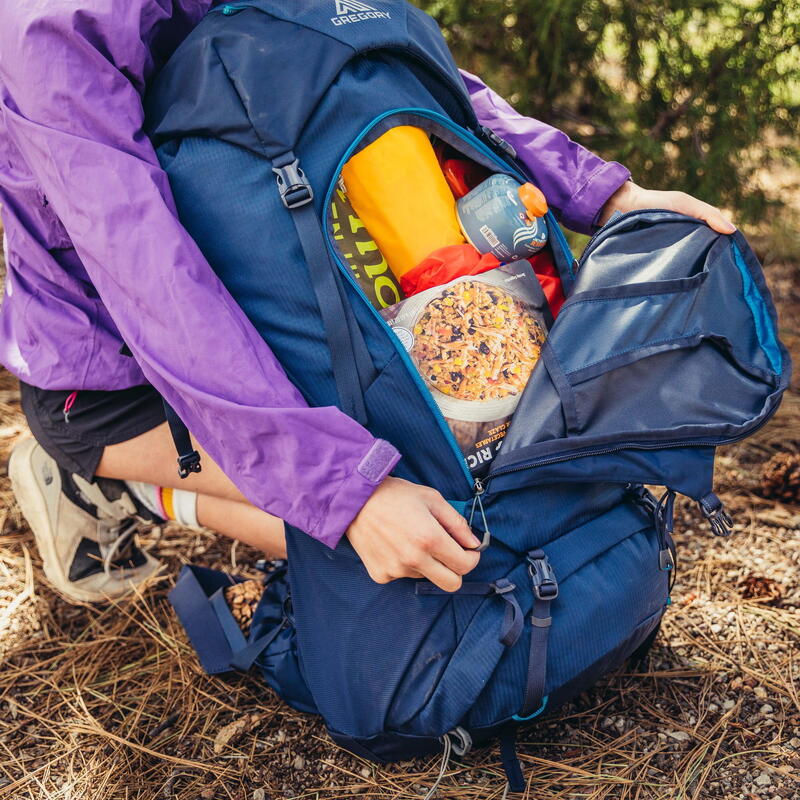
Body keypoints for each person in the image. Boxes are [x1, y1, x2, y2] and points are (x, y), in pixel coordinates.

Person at [0, 0, 736, 604]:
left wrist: (606, 195)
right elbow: (150, 276)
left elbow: (389, 73)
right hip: (111, 379)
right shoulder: (52, 27)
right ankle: (113, 484)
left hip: (257, 305)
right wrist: (347, 493)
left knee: (435, 490)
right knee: (420, 540)